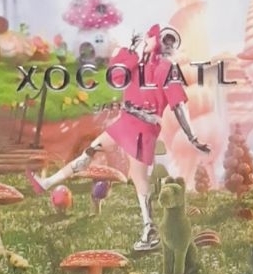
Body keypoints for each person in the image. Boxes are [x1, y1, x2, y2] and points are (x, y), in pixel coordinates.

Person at [27, 24, 210, 251]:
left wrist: (192, 136)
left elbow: (179, 106)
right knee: (89, 152)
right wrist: (132, 50)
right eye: (162, 38)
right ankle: (45, 183)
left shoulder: (166, 70)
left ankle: (149, 230)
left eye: (170, 41)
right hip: (125, 122)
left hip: (143, 129)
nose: (165, 44)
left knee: (139, 178)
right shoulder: (136, 62)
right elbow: (115, 75)